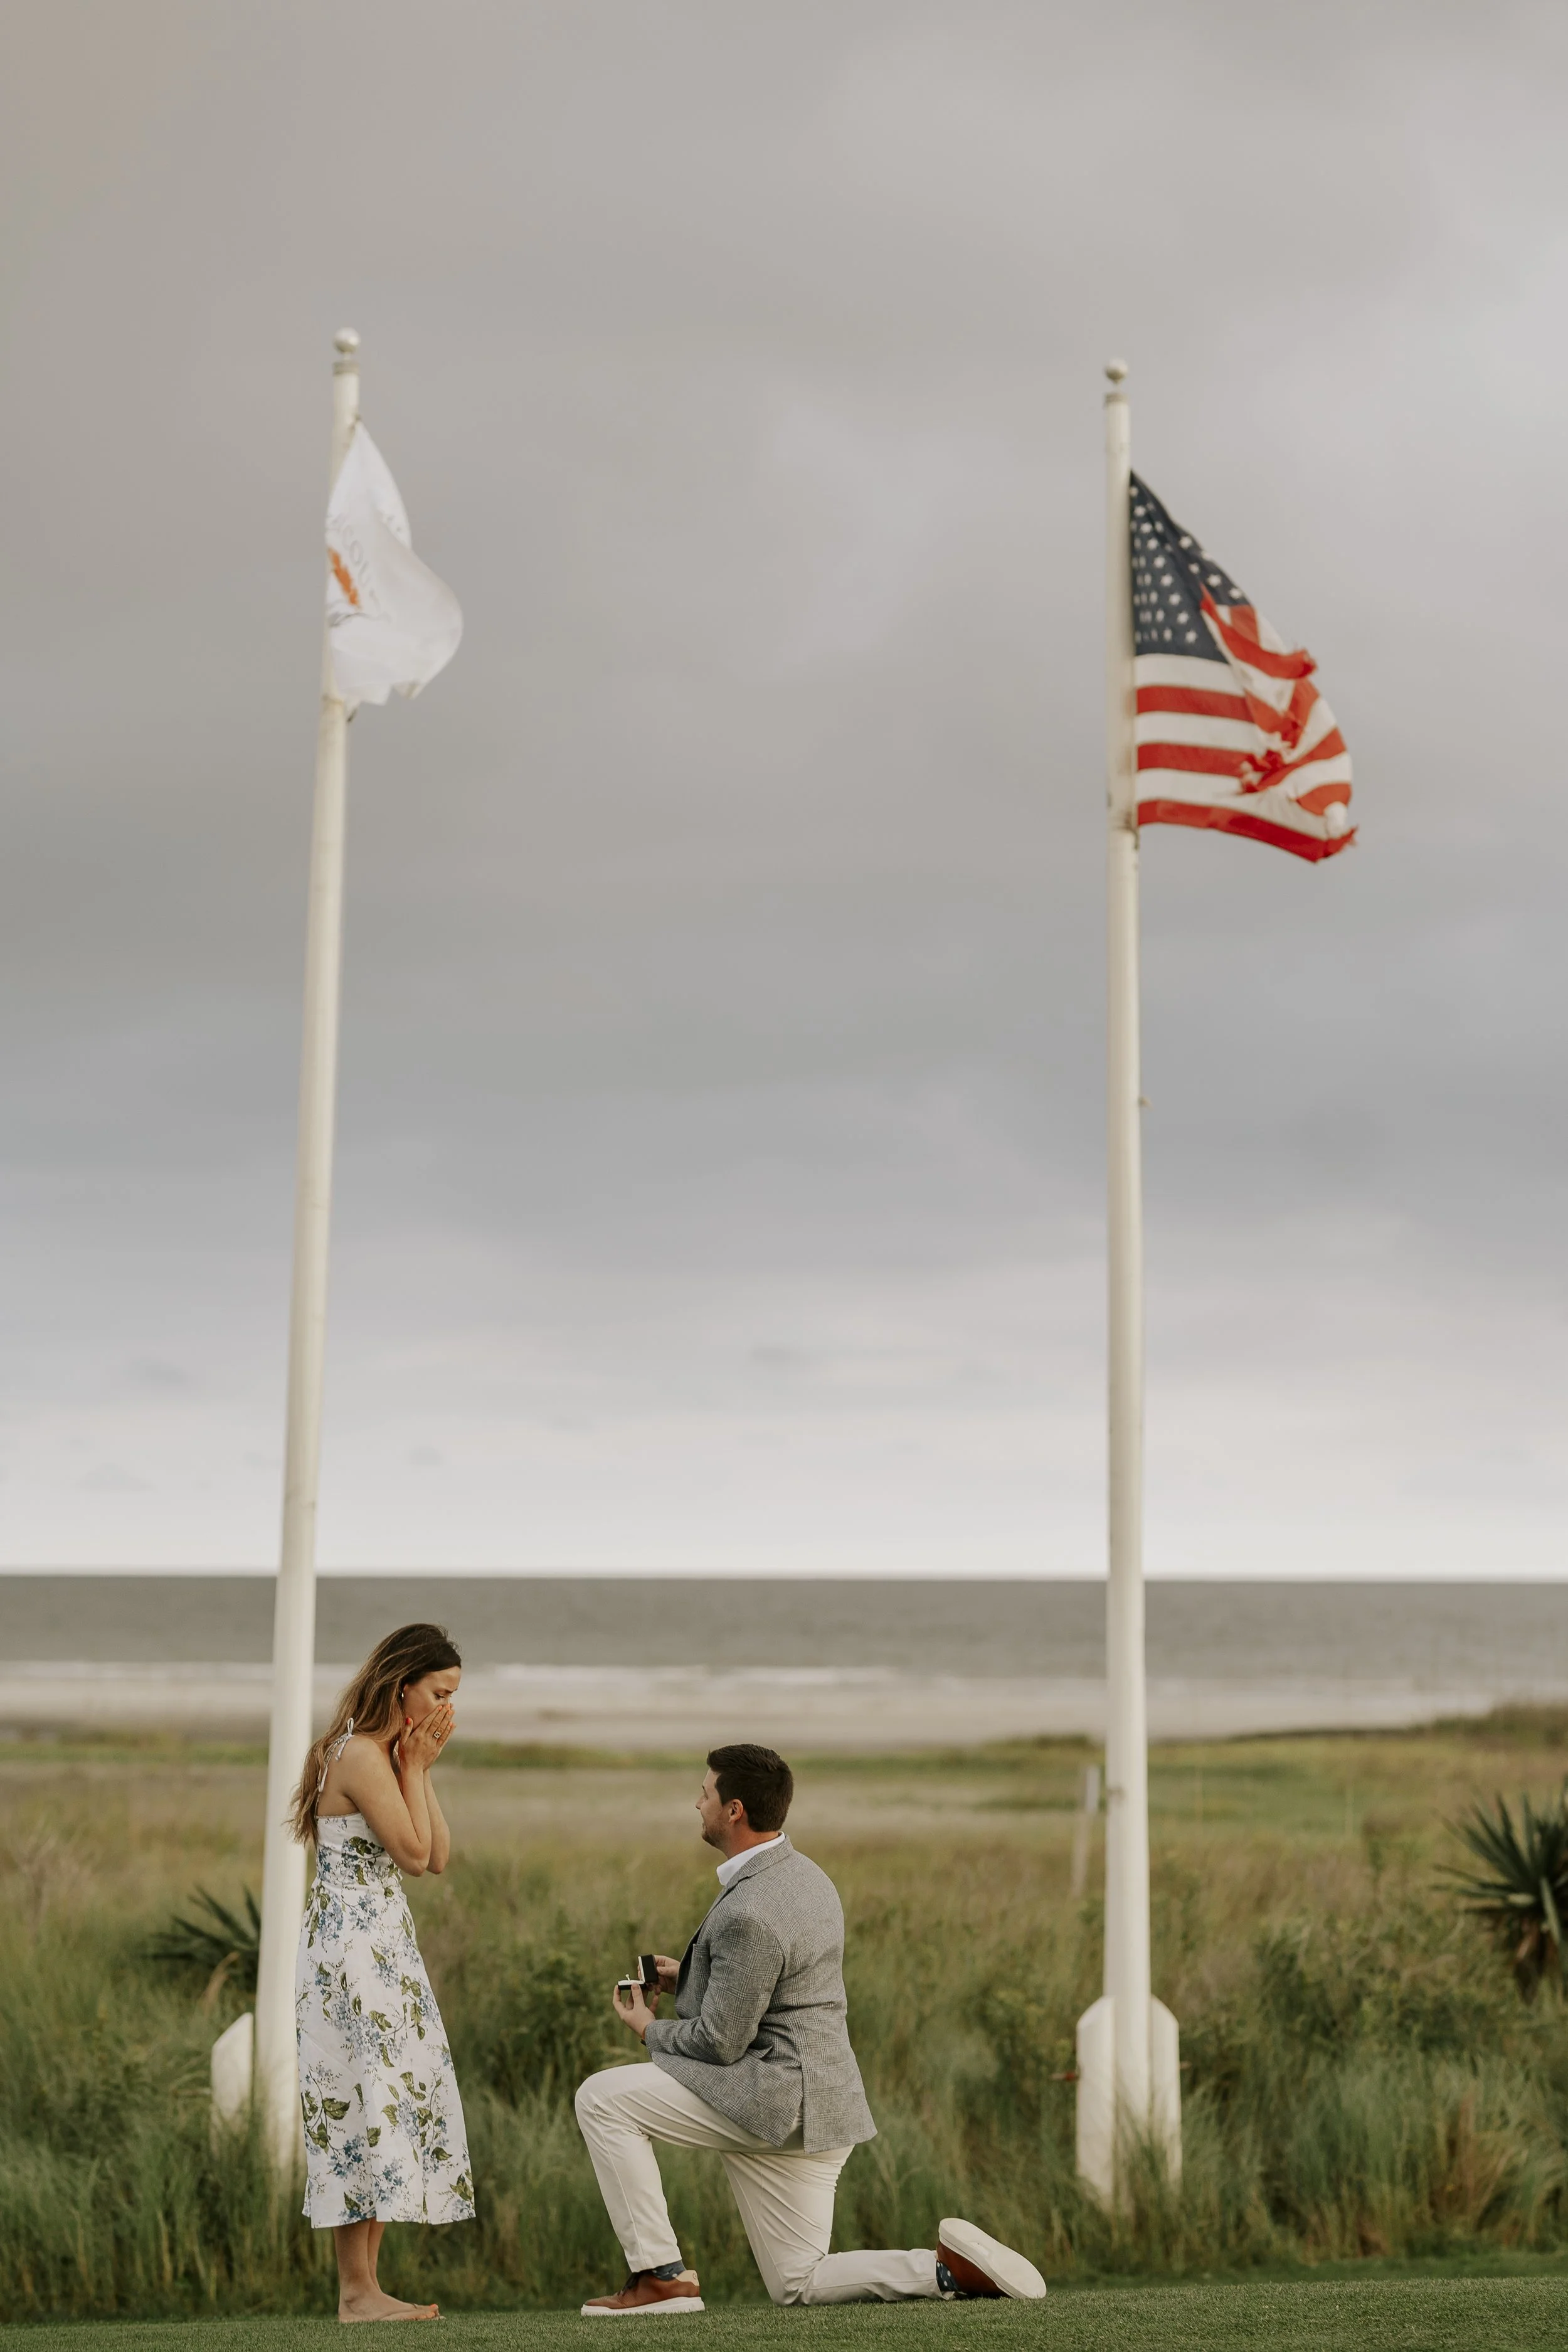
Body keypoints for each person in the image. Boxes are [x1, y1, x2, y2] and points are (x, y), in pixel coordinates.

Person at [573, 1742, 1046, 2315]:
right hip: (823, 2109)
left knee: (601, 2099)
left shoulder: (750, 1911)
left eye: (704, 1793)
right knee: (799, 2281)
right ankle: (946, 2272)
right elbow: (780, 1989)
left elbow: (722, 2043)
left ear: (734, 1810)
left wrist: (648, 2030)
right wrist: (689, 1977)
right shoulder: (807, 1876)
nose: (695, 1803)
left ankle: (660, 2278)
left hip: (775, 2101)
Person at [290, 1623, 475, 2323]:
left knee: (387, 2098)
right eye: (439, 1692)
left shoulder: (385, 1755)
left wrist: (415, 1766)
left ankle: (365, 2290)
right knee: (354, 2099)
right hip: (352, 1952)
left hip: (382, 1945)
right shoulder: (363, 1756)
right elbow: (412, 1851)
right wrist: (416, 1769)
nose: (446, 1709)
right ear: (403, 1687)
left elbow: (438, 1857)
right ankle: (355, 2292)